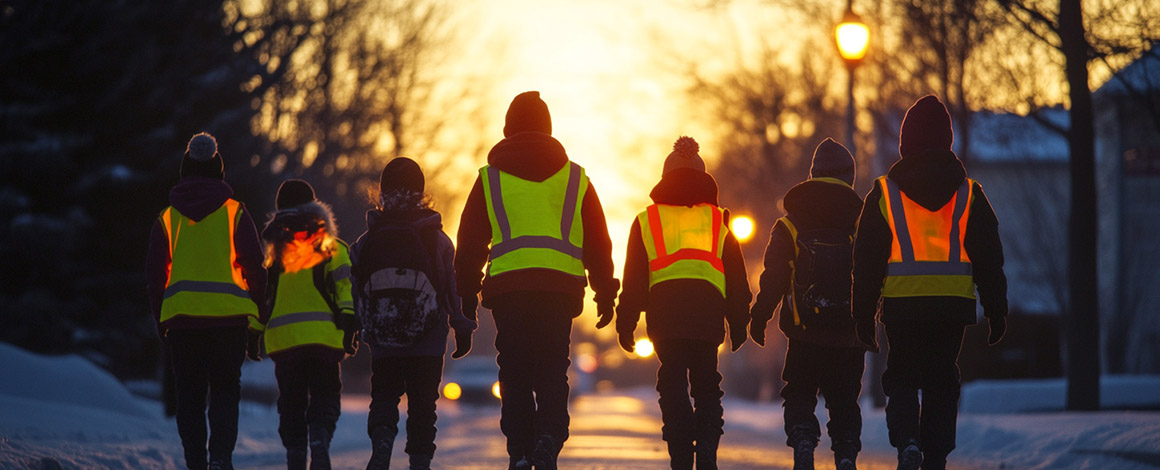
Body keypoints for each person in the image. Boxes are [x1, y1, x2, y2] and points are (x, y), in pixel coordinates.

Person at [455, 91, 620, 470]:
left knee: (513, 369)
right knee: (551, 367)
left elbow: (470, 243)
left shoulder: (489, 180)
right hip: (559, 292)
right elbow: (598, 240)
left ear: (507, 130)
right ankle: (548, 437)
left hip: (509, 291)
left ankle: (520, 451)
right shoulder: (576, 179)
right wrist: (605, 291)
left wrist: (465, 295)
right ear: (548, 129)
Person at [851, 95, 1008, 470]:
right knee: (942, 381)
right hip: (951, 308)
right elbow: (989, 256)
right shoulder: (970, 193)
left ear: (905, 144)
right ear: (948, 141)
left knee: (902, 376)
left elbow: (867, 259)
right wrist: (996, 309)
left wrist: (863, 314)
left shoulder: (884, 193)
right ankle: (934, 456)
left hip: (902, 308)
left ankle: (907, 442)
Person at [616, 136, 751, 470]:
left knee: (672, 382)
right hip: (707, 316)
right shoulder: (719, 220)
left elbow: (634, 278)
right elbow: (736, 278)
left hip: (666, 317)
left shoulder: (647, 220)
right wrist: (738, 321)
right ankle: (706, 448)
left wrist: (626, 321)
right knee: (707, 384)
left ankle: (680, 454)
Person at [145, 132, 267, 470]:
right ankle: (221, 460)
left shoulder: (167, 219)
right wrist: (257, 322)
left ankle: (196, 462)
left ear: (184, 171)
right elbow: (256, 268)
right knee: (226, 391)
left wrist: (161, 321)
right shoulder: (236, 213)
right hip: (229, 323)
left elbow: (155, 276)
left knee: (190, 397)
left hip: (183, 324)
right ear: (220, 172)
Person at [351, 157, 477, 470]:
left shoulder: (366, 242)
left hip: (383, 339)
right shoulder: (437, 240)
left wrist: (353, 327)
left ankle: (381, 444)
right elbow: (453, 290)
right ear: (421, 192)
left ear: (382, 191)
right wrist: (462, 327)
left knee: (384, 396)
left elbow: (354, 291)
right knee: (423, 404)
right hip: (428, 340)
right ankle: (419, 460)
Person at [749, 138, 866, 470]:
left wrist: (759, 316)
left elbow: (774, 276)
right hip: (849, 333)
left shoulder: (789, 223)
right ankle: (845, 453)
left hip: (804, 334)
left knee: (799, 393)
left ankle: (803, 439)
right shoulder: (862, 222)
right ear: (849, 177)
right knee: (844, 400)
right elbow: (874, 273)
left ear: (813, 175)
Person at [258, 179, 359, 470]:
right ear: (314, 207)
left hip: (285, 340)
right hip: (324, 339)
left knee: (291, 402)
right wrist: (349, 321)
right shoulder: (332, 247)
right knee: (326, 396)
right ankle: (319, 438)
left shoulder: (274, 251)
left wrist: (254, 331)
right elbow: (345, 289)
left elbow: (265, 297)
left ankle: (295, 452)